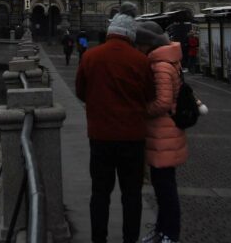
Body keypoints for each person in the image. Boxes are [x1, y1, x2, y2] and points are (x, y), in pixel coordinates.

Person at [75, 13, 154, 243]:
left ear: (110, 32)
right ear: (131, 34)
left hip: (101, 136)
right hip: (133, 138)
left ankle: (99, 239)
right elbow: (150, 94)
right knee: (132, 195)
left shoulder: (91, 56)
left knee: (100, 193)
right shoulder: (140, 60)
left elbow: (81, 91)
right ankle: (130, 239)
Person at [135, 21, 188, 243]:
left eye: (140, 44)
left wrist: (141, 110)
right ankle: (161, 229)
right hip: (163, 134)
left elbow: (163, 102)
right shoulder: (166, 61)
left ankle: (170, 233)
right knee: (163, 186)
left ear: (149, 43)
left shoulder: (161, 65)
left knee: (165, 189)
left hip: (163, 135)